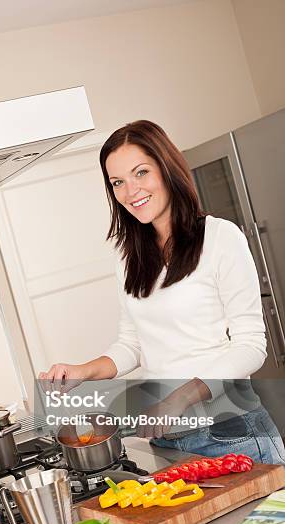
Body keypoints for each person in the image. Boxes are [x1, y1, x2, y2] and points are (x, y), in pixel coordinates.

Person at [39, 120, 285, 464]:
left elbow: (251, 345)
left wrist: (180, 398)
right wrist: (83, 371)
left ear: (166, 168)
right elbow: (132, 344)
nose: (130, 190)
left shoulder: (219, 238)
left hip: (232, 433)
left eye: (141, 172)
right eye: (117, 182)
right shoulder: (130, 258)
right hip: (168, 441)